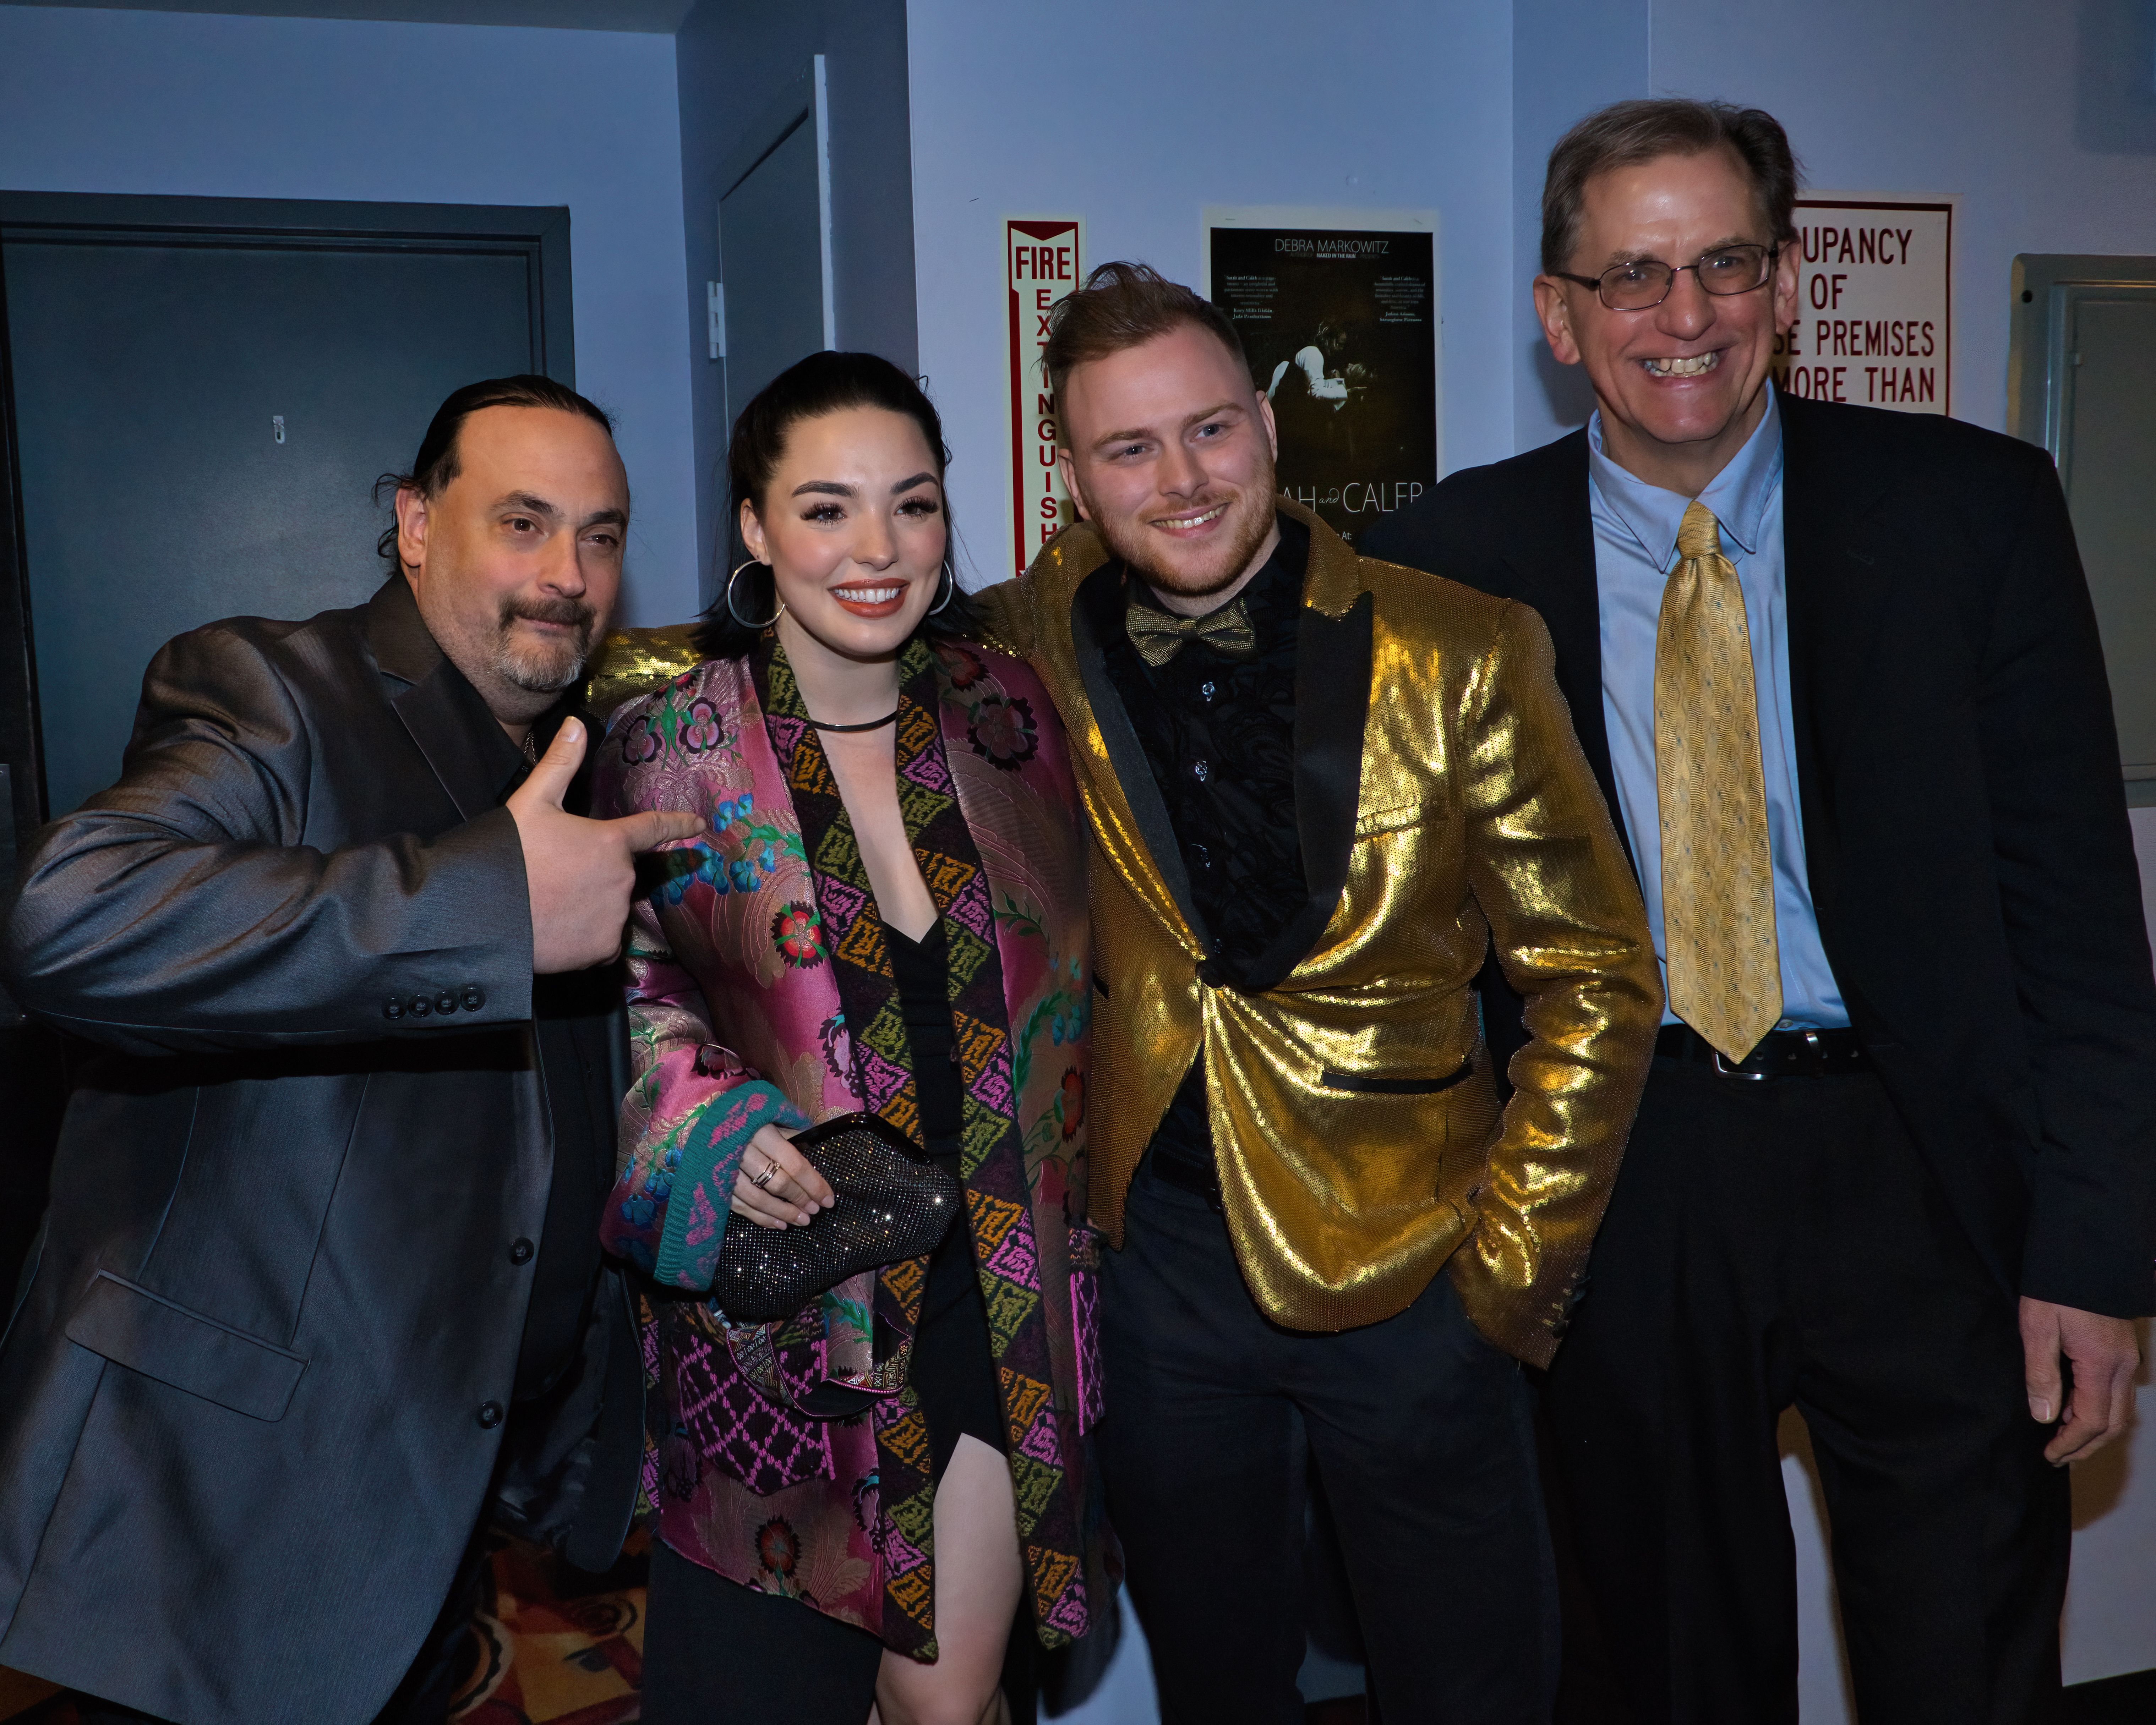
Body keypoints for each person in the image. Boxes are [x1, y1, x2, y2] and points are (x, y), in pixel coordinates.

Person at [1359, 99, 2156, 1724]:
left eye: (1726, 264)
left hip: (1926, 1177)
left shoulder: (1974, 511)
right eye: (1632, 275)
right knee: (1662, 1668)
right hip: (1620, 1173)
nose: (1685, 314)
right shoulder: (1445, 563)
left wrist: (2092, 1256)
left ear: (1788, 285)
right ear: (1558, 313)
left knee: (1965, 1662)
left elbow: (2079, 924)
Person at [971, 261, 1664, 1723]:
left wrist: (1509, 1273)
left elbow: (1595, 974)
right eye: (1128, 448)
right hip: (1157, 1275)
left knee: (1470, 1687)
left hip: (1418, 1265)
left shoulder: (1463, 645)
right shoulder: (1015, 641)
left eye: (1209, 429)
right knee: (1219, 1688)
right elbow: (820, 661)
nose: (1180, 479)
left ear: (1270, 425)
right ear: (1072, 476)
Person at [0, 376, 699, 1724]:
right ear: (417, 524)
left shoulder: (586, 756)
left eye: (601, 535)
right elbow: (67, 917)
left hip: (439, 1492)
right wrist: (489, 906)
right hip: (228, 1508)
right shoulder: (275, 691)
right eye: (523, 522)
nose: (568, 575)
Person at [595, 350, 1113, 1725]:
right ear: (755, 528)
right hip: (790, 1314)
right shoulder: (669, 746)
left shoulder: (1014, 719)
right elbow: (622, 994)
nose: (877, 549)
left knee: (945, 1699)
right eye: (827, 509)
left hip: (1000, 1284)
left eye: (913, 504)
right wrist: (707, 1121)